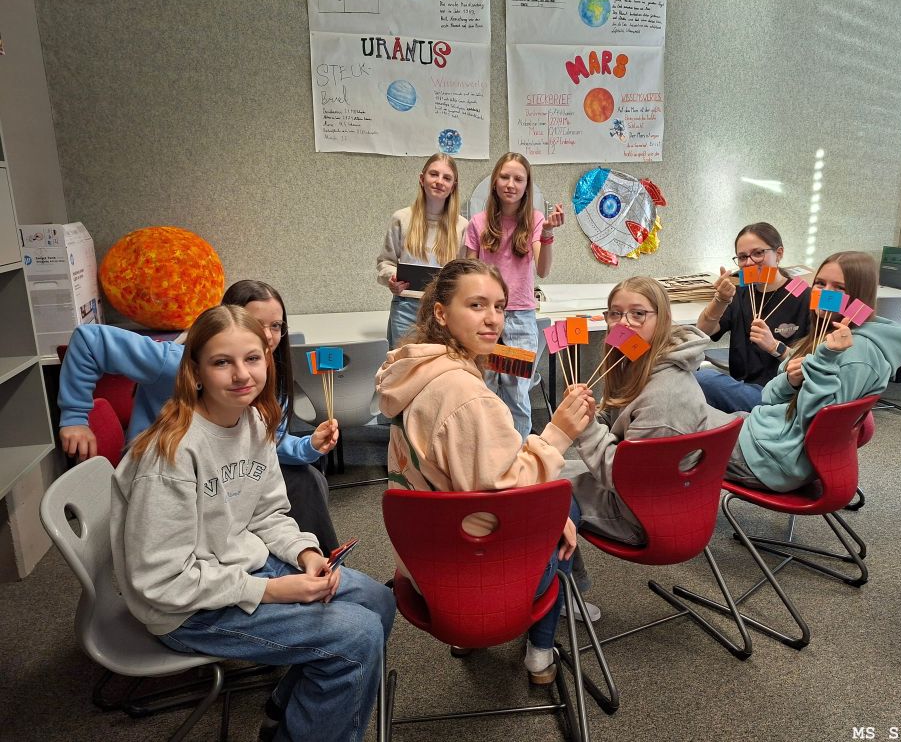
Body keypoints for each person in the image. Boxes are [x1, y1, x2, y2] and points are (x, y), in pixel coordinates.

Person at [110, 304, 395, 742]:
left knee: (379, 600)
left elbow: (266, 513)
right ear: (196, 372)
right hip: (185, 609)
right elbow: (161, 582)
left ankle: (289, 707)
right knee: (356, 638)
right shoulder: (171, 455)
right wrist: (272, 591)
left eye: (252, 358)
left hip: (238, 564)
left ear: (267, 360)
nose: (242, 374)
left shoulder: (255, 420)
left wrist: (305, 553)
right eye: (222, 362)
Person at [376, 258, 595, 684]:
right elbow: (506, 493)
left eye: (499, 307)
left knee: (558, 510)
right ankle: (540, 653)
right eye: (476, 305)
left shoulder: (413, 370)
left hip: (425, 567)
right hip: (475, 580)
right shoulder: (467, 398)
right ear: (441, 313)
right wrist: (558, 434)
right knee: (567, 508)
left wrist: (486, 360)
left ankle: (469, 639)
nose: (493, 319)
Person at [58, 280, 341, 552]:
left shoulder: (261, 377)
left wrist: (307, 446)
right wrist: (74, 416)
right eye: (256, 324)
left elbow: (264, 442)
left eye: (276, 326)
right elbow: (89, 340)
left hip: (224, 470)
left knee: (306, 479)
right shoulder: (176, 362)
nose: (267, 335)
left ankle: (314, 562)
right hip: (167, 476)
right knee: (301, 485)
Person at [564, 276, 733, 546]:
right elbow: (618, 420)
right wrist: (588, 415)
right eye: (615, 313)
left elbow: (623, 478)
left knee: (540, 493)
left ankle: (553, 572)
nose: (623, 323)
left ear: (662, 319)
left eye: (638, 314)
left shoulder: (664, 399)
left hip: (641, 515)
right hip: (643, 488)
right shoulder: (638, 362)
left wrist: (586, 429)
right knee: (546, 471)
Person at [726, 251, 901, 492]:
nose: (825, 293)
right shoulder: (823, 335)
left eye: (839, 288)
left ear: (859, 298)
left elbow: (817, 428)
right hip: (770, 434)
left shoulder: (856, 355)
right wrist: (790, 381)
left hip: (774, 459)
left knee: (681, 433)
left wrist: (823, 362)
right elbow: (768, 397)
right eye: (820, 284)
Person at [463, 152, 564, 440]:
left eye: (518, 179)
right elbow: (468, 275)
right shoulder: (478, 222)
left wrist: (547, 233)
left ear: (526, 185)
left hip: (520, 318)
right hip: (485, 318)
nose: (511, 184)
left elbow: (543, 270)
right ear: (495, 182)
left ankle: (517, 454)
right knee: (484, 390)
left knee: (517, 394)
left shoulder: (535, 220)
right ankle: (485, 451)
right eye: (505, 177)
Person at [695, 222, 812, 413]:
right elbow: (702, 331)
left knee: (703, 380)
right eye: (742, 257)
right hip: (743, 387)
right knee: (689, 376)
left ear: (779, 253)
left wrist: (775, 347)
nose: (749, 262)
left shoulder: (804, 296)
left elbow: (813, 365)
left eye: (758, 253)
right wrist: (720, 299)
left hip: (782, 395)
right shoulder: (740, 291)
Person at [377, 153, 468, 347]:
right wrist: (392, 279)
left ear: (453, 186)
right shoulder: (401, 219)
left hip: (443, 311)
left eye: (446, 178)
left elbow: (463, 274)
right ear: (422, 179)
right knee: (403, 363)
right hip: (405, 307)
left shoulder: (462, 226)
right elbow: (385, 262)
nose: (439, 181)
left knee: (439, 364)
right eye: (433, 174)